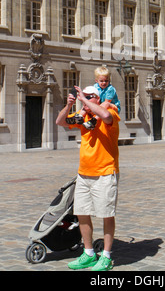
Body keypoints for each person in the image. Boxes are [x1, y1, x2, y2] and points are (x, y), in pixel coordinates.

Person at [56, 85, 120, 271]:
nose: (83, 98)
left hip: (105, 172)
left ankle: (106, 256)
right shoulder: (84, 117)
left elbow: (107, 118)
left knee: (106, 215)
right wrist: (69, 105)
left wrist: (83, 100)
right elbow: (60, 121)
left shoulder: (110, 112)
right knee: (82, 213)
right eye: (82, 95)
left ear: (97, 99)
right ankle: (89, 253)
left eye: (89, 96)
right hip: (84, 173)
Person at [84, 66, 121, 130]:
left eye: (106, 81)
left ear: (109, 80)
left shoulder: (110, 89)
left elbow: (107, 102)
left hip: (113, 106)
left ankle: (94, 120)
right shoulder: (95, 87)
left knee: (105, 104)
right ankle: (79, 117)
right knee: (87, 103)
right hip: (102, 105)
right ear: (96, 81)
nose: (104, 83)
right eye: (101, 81)